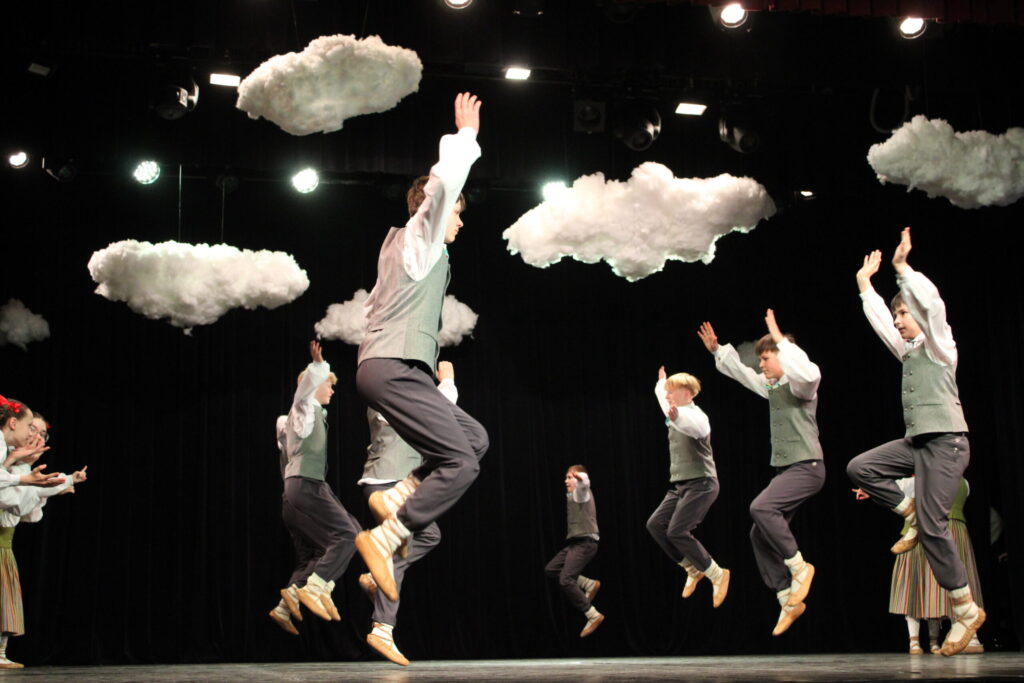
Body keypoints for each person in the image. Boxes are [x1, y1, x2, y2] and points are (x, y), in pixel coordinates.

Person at [354, 93, 489, 602]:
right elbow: (443, 185)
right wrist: (466, 136)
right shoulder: (422, 237)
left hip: (387, 364)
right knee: (463, 463)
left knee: (474, 439)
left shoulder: (398, 248)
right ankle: (386, 536)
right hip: (393, 366)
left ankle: (405, 493)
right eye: (457, 214)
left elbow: (374, 307)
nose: (460, 222)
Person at [846, 228, 984, 656]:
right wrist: (865, 286)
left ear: (919, 315)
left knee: (934, 525)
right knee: (860, 468)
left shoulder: (942, 346)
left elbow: (934, 307)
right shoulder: (907, 350)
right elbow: (881, 325)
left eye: (904, 313)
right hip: (919, 444)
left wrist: (904, 270)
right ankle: (909, 514)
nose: (898, 321)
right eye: (897, 315)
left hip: (947, 443)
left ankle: (965, 609)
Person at [698, 310, 824, 635]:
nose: (762, 365)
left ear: (783, 357)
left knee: (761, 507)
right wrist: (718, 350)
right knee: (758, 533)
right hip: (787, 470)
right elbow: (742, 374)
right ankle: (786, 598)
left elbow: (810, 374)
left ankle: (799, 567)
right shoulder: (771, 387)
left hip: (807, 467)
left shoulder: (801, 385)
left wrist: (780, 339)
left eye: (766, 359)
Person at [357, 361, 458, 666]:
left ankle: (374, 578)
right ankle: (382, 628)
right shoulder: (389, 399)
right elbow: (442, 412)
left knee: (429, 535)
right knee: (397, 551)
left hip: (392, 481)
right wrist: (448, 381)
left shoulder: (391, 397)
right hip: (387, 482)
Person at [276, 341, 360, 625]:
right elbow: (304, 393)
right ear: (315, 386)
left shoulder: (306, 417)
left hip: (308, 484)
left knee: (347, 535)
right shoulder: (304, 409)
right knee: (347, 535)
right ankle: (316, 586)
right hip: (306, 483)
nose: (332, 391)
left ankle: (293, 598)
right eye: (329, 385)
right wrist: (318, 366)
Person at [855, 477, 984, 655]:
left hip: (928, 531)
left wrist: (870, 490)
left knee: (918, 583)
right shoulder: (964, 483)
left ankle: (919, 642)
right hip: (956, 531)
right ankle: (969, 636)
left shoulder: (919, 481)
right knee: (959, 578)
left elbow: (891, 488)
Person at [0, 414, 86, 669]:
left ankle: (1, 652)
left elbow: (30, 508)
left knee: (5, 598)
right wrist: (22, 471)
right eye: (32, 430)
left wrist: (60, 484)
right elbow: (15, 500)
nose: (36, 438)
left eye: (42, 435)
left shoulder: (21, 467)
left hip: (5, 543)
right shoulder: (8, 462)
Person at [647, 367, 729, 607]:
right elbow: (662, 398)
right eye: (667, 392)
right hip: (681, 485)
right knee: (655, 525)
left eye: (671, 391)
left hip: (702, 483)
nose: (667, 396)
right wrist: (661, 382)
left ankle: (717, 573)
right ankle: (691, 568)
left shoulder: (697, 416)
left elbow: (695, 428)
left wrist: (676, 418)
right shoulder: (673, 409)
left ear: (687, 393)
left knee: (677, 531)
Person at [545, 465, 603, 638]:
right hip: (576, 543)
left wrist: (579, 477)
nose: (566, 481)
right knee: (551, 569)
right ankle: (588, 584)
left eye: (569, 478)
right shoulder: (572, 495)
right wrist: (575, 478)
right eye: (566, 477)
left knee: (565, 579)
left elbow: (585, 483)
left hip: (585, 543)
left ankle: (593, 615)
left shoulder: (581, 492)